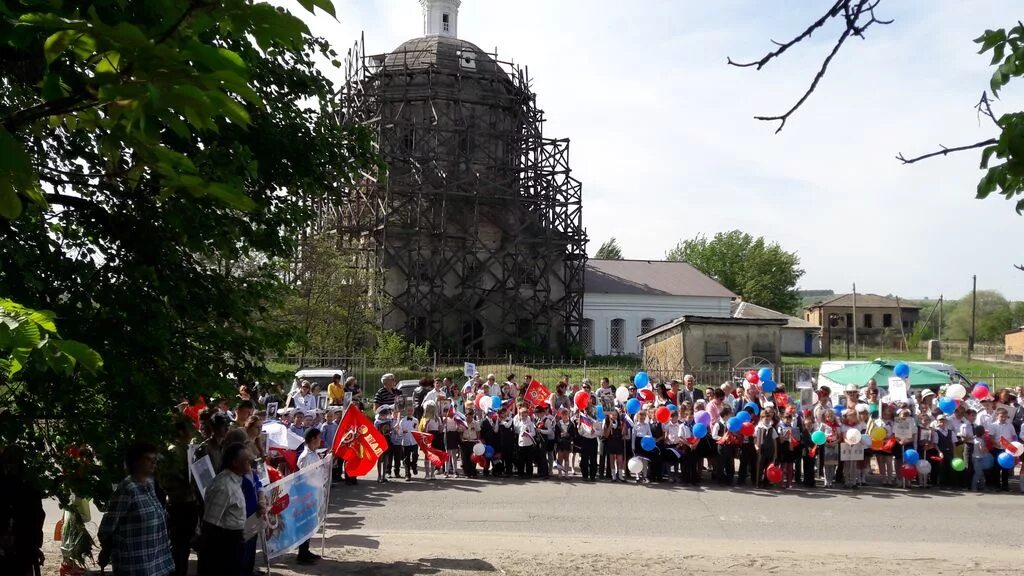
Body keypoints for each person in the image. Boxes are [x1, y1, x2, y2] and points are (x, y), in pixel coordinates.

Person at [98, 442, 174, 576]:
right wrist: (106, 550)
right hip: (135, 565)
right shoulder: (127, 490)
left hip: (157, 564)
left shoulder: (150, 484)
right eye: (148, 459)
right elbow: (106, 528)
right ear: (135, 462)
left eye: (155, 459)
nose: (153, 463)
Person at [159, 420, 200, 576]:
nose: (193, 430)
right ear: (182, 431)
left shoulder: (187, 449)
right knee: (179, 547)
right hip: (178, 504)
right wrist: (185, 481)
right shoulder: (174, 451)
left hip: (189, 501)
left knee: (184, 546)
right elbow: (166, 481)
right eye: (189, 427)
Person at [0, 446, 45, 576]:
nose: (10, 466)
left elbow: (37, 517)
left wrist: (35, 546)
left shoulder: (28, 487)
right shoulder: (27, 486)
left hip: (23, 547)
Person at [295, 429, 323, 564]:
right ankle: (302, 554)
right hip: (307, 494)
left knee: (310, 523)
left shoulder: (313, 454)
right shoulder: (306, 456)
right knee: (306, 523)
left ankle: (306, 551)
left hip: (313, 492)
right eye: (318, 438)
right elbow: (307, 477)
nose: (320, 440)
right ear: (312, 439)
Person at [394, 405, 419, 479]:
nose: (410, 412)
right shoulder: (402, 421)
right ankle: (407, 474)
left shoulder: (416, 420)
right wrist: (400, 431)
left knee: (415, 455)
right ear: (406, 411)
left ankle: (414, 465)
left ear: (413, 411)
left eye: (411, 410)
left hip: (414, 441)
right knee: (406, 458)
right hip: (406, 442)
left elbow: (417, 431)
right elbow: (400, 433)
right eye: (408, 410)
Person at [374, 406, 395, 483]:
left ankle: (384, 476)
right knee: (380, 458)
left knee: (386, 457)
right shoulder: (377, 422)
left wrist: (392, 431)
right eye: (383, 414)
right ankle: (379, 475)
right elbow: (374, 431)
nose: (384, 416)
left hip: (387, 440)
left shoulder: (389, 421)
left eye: (386, 414)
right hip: (379, 441)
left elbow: (392, 429)